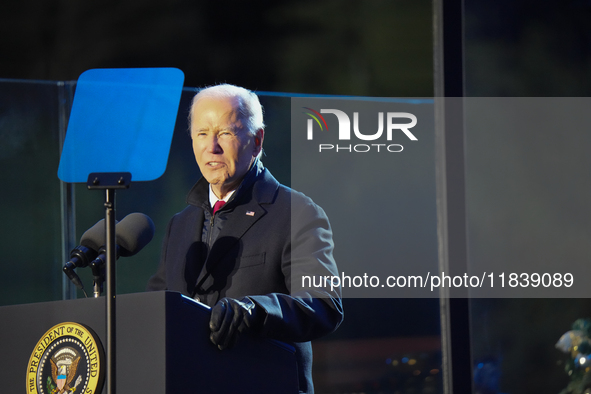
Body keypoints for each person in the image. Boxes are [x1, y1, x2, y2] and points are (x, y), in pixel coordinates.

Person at [147, 83, 343, 393]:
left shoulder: (296, 211)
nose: (212, 146)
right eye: (202, 133)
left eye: (225, 133)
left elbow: (322, 305)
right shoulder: (179, 225)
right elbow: (157, 312)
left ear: (257, 140)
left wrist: (254, 310)